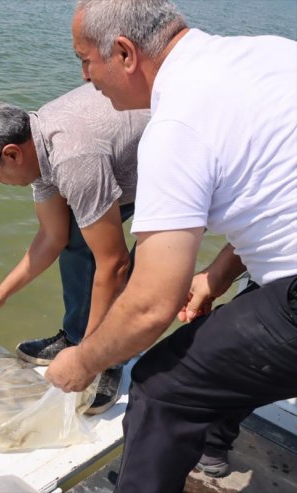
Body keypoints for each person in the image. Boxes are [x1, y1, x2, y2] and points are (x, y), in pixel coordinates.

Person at [46, 0, 297, 491]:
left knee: (161, 387)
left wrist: (83, 360)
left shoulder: (176, 123)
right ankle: (211, 450)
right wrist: (216, 277)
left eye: (85, 60)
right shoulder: (272, 54)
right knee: (234, 332)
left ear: (123, 53)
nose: (84, 77)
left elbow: (150, 305)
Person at [0, 84, 149, 414]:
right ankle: (75, 337)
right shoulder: (37, 144)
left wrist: (88, 359)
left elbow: (113, 264)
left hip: (170, 167)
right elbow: (52, 237)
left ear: (11, 154)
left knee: (142, 266)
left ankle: (108, 359)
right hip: (119, 167)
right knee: (75, 237)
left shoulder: (73, 159)